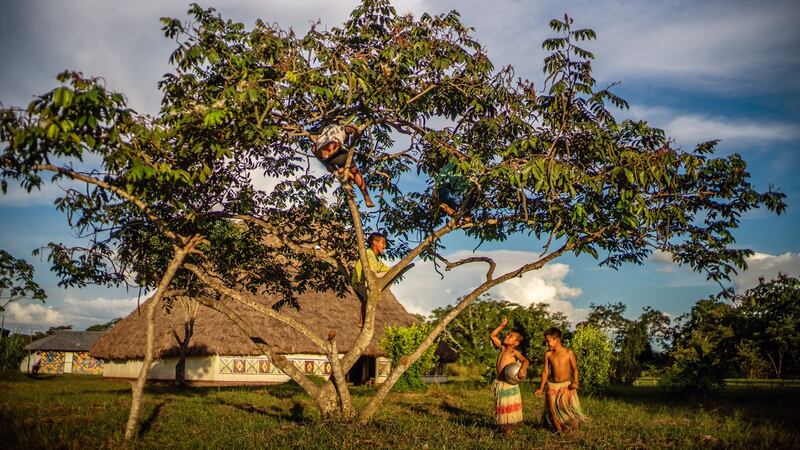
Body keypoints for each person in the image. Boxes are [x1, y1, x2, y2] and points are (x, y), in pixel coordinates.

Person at [534, 327, 588, 432]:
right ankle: (558, 429)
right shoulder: (548, 354)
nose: (547, 344)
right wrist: (541, 388)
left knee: (567, 409)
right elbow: (545, 371)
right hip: (552, 386)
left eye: (548, 341)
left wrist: (576, 382)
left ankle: (569, 426)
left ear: (557, 340)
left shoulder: (569, 353)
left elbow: (575, 369)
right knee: (553, 410)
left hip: (566, 386)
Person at [313, 123, 375, 207]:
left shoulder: (322, 134)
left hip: (326, 157)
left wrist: (327, 165)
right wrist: (357, 132)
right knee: (355, 170)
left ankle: (343, 170)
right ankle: (367, 198)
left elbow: (313, 149)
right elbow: (352, 129)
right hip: (336, 150)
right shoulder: (341, 127)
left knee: (341, 160)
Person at [489, 317, 529, 435]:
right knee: (502, 406)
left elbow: (525, 361)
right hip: (500, 383)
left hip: (509, 384)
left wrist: (522, 370)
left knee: (509, 407)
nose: (506, 336)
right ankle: (503, 426)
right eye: (507, 334)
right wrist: (501, 326)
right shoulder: (502, 347)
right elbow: (492, 336)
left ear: (516, 343)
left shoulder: (514, 352)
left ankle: (510, 427)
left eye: (510, 336)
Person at [351, 232, 391, 325]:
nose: (384, 246)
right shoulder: (369, 255)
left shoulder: (377, 259)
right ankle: (363, 322)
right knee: (369, 298)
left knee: (367, 300)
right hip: (359, 282)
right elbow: (371, 273)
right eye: (383, 243)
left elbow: (388, 270)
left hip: (363, 283)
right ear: (374, 242)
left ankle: (363, 322)